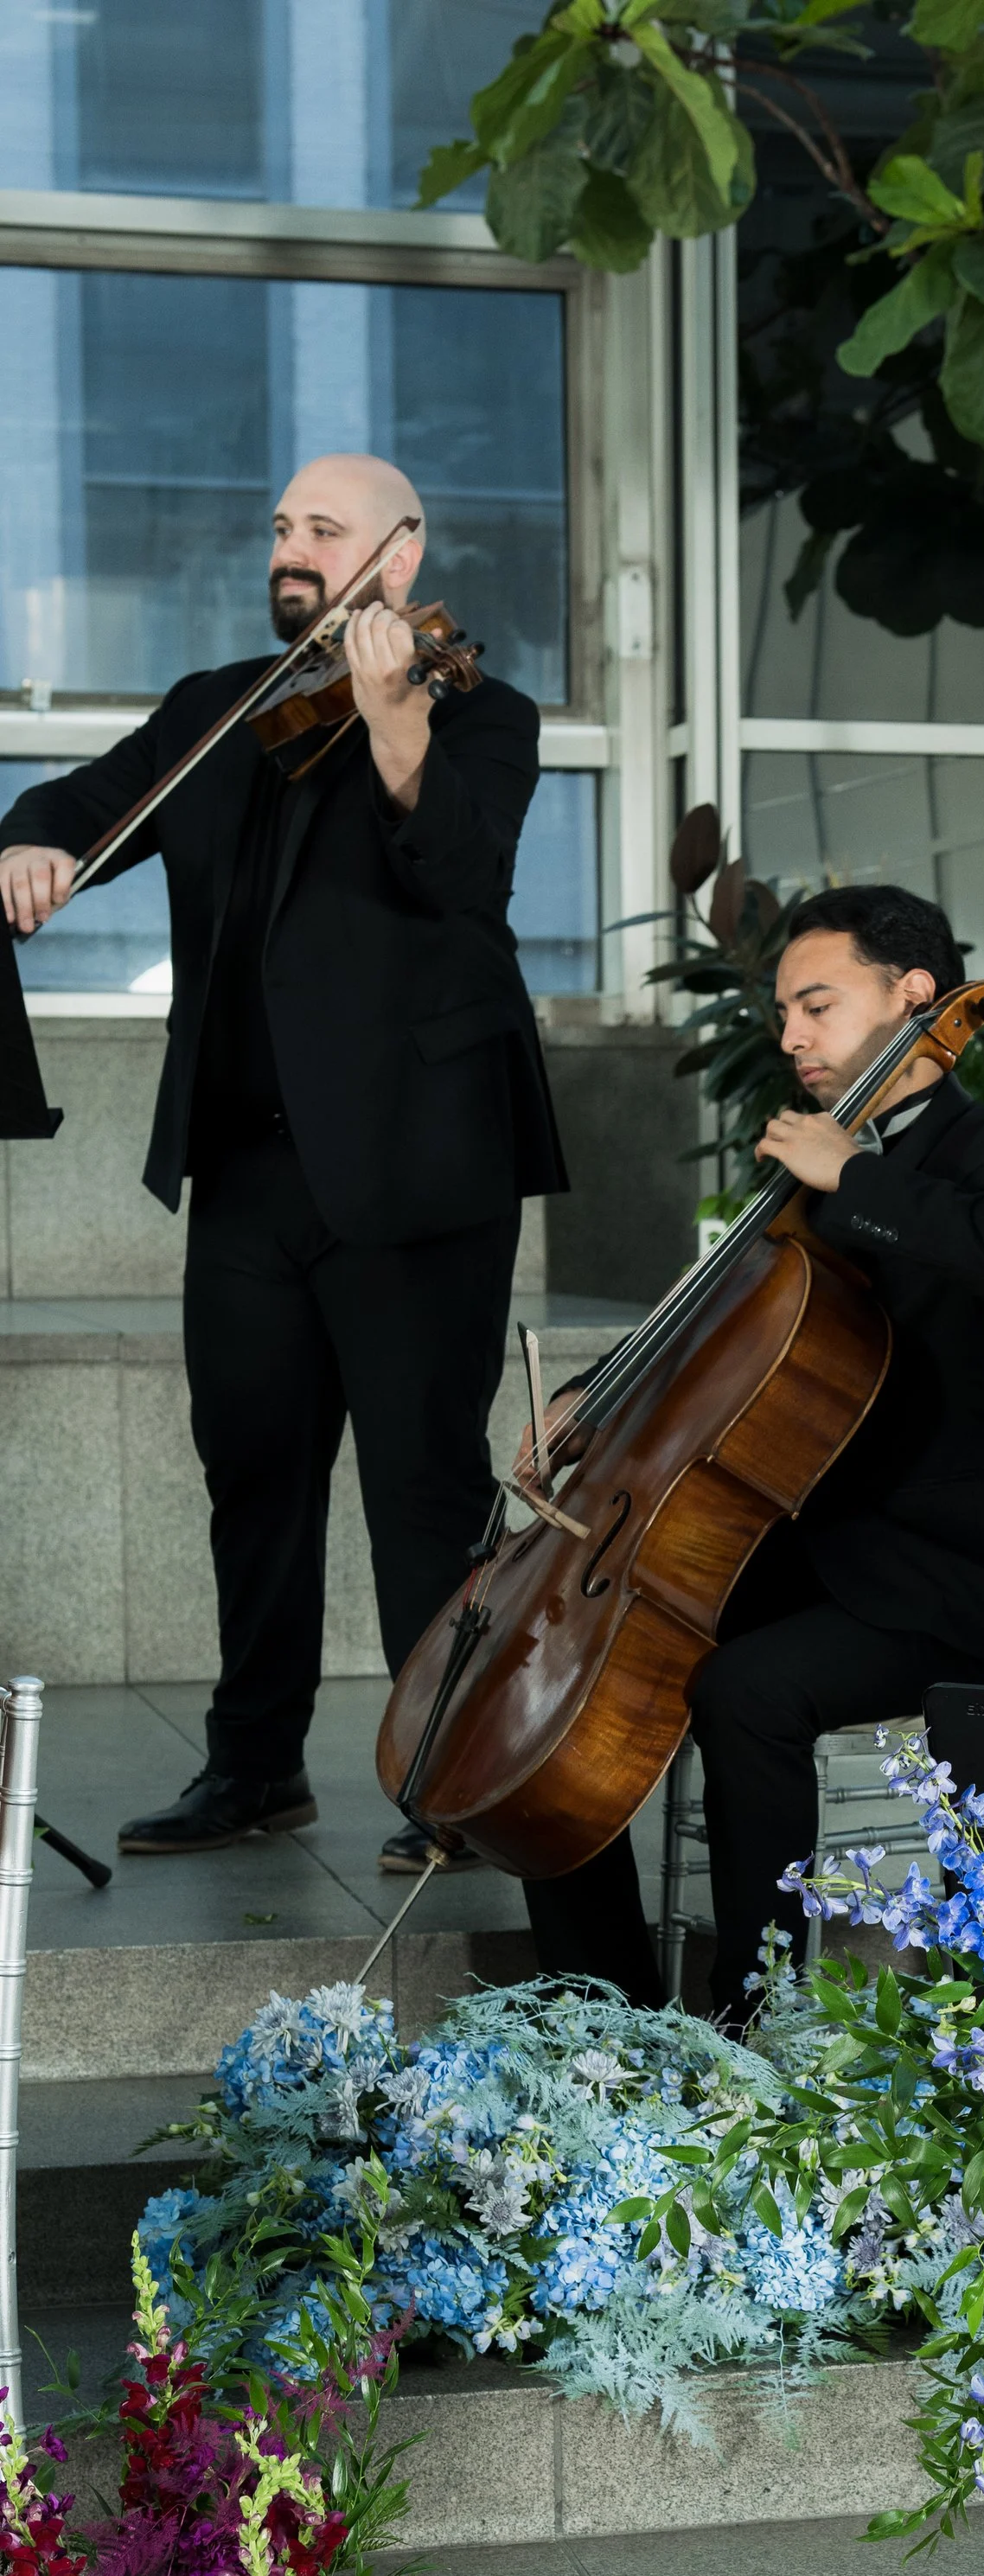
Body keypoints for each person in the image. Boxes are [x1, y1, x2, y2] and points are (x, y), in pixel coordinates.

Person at [0, 453, 564, 1872]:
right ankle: (255, 1767)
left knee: (422, 1488)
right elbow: (84, 802)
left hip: (416, 1168)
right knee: (251, 1473)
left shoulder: (478, 711)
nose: (291, 549)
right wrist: (29, 846)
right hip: (246, 1170)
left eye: (323, 528)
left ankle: (448, 1780)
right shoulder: (216, 709)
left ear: (400, 553)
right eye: (280, 528)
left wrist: (395, 727)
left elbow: (465, 877)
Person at [521, 881, 984, 2016]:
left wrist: (857, 1179)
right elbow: (714, 1328)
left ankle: (752, 2013)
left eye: (816, 1006)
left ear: (915, 995)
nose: (791, 1036)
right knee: (584, 1663)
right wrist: (594, 1397)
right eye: (785, 1012)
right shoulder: (813, 1178)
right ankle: (603, 2001)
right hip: (814, 1551)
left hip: (954, 1578)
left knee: (746, 1690)